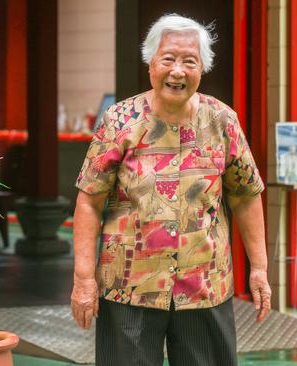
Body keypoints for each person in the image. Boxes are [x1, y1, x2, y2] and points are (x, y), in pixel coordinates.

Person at [70, 14, 271, 366]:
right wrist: (83, 279)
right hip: (129, 286)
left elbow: (246, 195)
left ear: (202, 69)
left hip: (205, 285)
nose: (177, 71)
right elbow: (89, 201)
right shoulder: (120, 120)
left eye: (189, 62)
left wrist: (259, 269)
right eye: (168, 59)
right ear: (151, 64)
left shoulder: (222, 120)